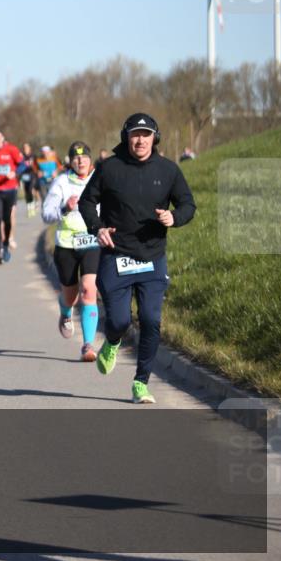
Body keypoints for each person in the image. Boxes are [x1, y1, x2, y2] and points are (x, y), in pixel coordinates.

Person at [78, 113, 196, 404]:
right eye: (134, 134)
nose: (140, 139)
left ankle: (141, 382)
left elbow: (187, 204)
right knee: (118, 321)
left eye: (146, 134)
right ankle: (114, 340)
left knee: (151, 320)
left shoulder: (169, 170)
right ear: (125, 137)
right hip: (116, 256)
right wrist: (98, 228)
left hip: (152, 258)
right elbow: (86, 201)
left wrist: (174, 217)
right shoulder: (109, 168)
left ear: (155, 138)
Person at [42, 141, 101, 361]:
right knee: (71, 296)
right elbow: (46, 214)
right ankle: (66, 311)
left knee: (88, 290)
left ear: (90, 159)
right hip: (66, 245)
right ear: (70, 161)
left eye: (84, 157)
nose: (80, 161)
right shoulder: (62, 182)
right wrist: (64, 208)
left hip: (92, 243)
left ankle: (87, 345)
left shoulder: (99, 180)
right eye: (76, 158)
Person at [0, 129, 24, 264]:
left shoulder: (11, 149)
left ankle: (6, 245)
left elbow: (23, 164)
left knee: (7, 219)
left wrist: (15, 173)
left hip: (10, 189)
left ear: (3, 137)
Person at [19, 143, 38, 217]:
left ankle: (32, 205)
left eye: (26, 147)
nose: (25, 149)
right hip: (24, 175)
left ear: (30, 148)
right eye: (24, 148)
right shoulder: (21, 156)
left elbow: (37, 165)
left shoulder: (33, 156)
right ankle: (29, 207)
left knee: (30, 189)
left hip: (32, 175)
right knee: (26, 192)